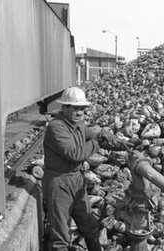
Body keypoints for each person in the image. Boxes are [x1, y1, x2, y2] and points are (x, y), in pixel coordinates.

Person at [42, 87, 131, 251]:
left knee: (90, 225)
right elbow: (75, 154)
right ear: (65, 107)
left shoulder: (78, 125)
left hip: (76, 179)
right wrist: (96, 143)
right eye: (75, 108)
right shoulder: (57, 127)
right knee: (61, 234)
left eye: (82, 108)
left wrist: (118, 143)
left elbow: (96, 134)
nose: (79, 112)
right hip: (59, 182)